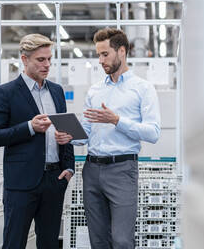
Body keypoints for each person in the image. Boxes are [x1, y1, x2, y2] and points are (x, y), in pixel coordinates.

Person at [57, 28, 161, 249]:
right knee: (98, 240)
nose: (100, 60)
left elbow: (153, 132)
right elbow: (85, 134)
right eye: (98, 55)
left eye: (105, 54)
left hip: (122, 169)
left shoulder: (142, 88)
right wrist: (69, 136)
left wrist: (117, 120)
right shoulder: (95, 91)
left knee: (122, 240)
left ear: (121, 51)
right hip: (92, 170)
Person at [0, 33, 75, 249]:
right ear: (24, 60)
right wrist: (29, 128)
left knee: (49, 244)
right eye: (40, 60)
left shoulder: (57, 91)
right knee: (14, 243)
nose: (47, 65)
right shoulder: (5, 93)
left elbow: (66, 131)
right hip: (21, 184)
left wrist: (69, 167)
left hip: (54, 181)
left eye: (49, 59)